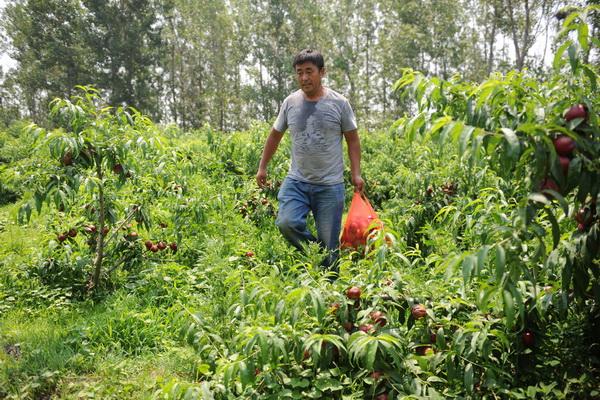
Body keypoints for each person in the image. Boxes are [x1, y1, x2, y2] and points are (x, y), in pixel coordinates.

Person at [256, 48, 364, 273]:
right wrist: (262, 167)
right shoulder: (290, 103)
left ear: (322, 72)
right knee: (286, 223)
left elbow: (353, 140)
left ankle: (330, 292)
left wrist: (356, 173)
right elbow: (275, 135)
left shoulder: (339, 103)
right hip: (297, 181)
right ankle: (319, 256)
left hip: (330, 186)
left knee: (330, 245)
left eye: (309, 72)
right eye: (299, 73)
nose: (304, 78)